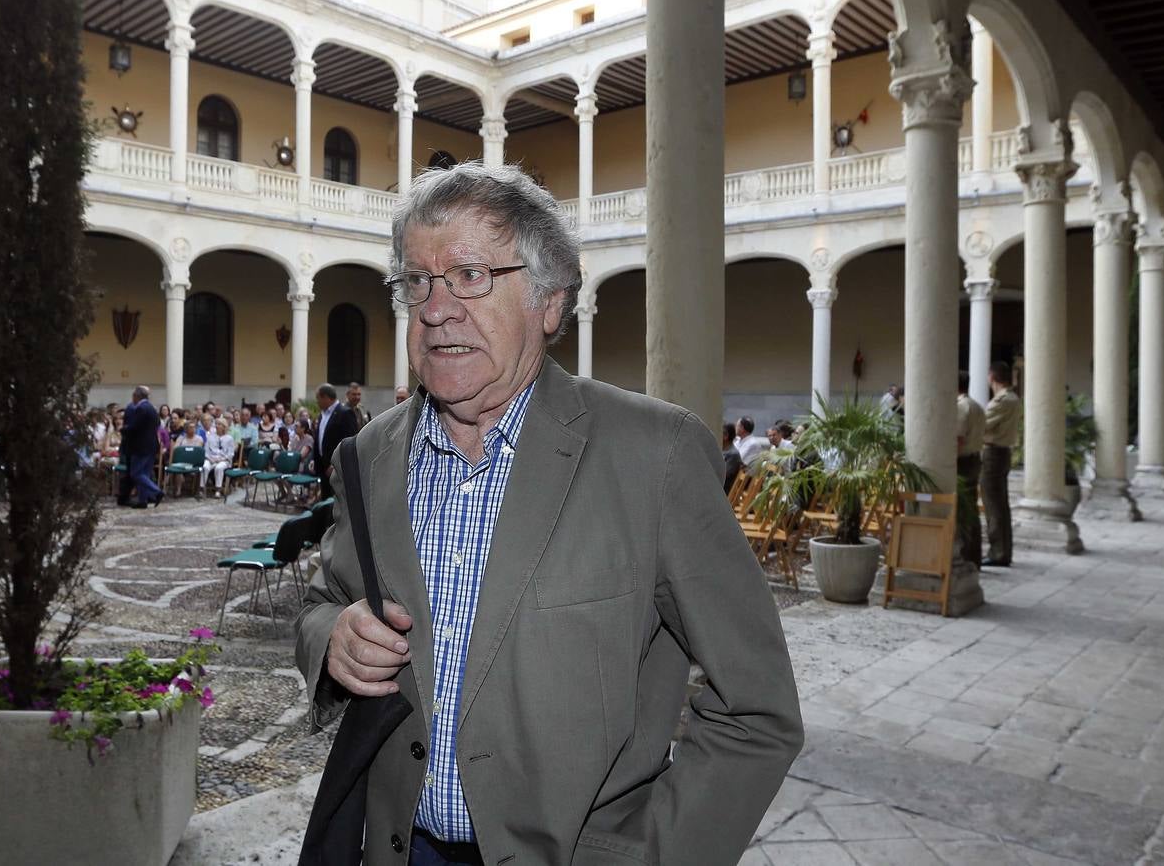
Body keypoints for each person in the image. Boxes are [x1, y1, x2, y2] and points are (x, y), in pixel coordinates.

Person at [293, 163, 801, 865]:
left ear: (551, 303)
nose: (436, 308)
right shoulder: (368, 456)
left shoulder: (655, 456)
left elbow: (757, 709)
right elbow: (326, 601)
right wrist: (333, 638)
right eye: (416, 281)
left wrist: (653, 855)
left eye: (470, 274)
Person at [981, 362, 1020, 567]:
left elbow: (983, 423)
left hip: (994, 453)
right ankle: (1003, 551)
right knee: (1001, 505)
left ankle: (998, 552)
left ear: (992, 377)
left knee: (993, 505)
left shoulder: (1003, 400)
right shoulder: (1012, 398)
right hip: (1002, 452)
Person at [954, 371, 986, 568]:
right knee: (971, 509)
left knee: (963, 509)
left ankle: (964, 553)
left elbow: (958, 439)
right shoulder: (977, 406)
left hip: (963, 461)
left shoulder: (961, 407)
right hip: (975, 458)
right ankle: (974, 555)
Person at [118, 385, 163, 508]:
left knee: (136, 473)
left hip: (141, 446)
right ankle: (143, 501)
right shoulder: (152, 408)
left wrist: (123, 429)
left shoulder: (141, 408)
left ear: (137, 396)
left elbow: (135, 427)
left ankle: (157, 491)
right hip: (151, 445)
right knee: (145, 473)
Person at [311, 382, 359, 477]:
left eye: (318, 399)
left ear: (325, 397)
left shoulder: (345, 413)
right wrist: (314, 460)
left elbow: (350, 442)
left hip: (336, 468)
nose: (317, 402)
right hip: (322, 466)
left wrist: (337, 464)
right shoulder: (322, 414)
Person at [202, 417, 236, 498]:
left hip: (224, 459)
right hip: (211, 458)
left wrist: (222, 459)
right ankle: (201, 488)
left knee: (219, 468)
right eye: (216, 424)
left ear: (224, 427)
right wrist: (209, 458)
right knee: (205, 467)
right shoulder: (210, 437)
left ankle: (218, 489)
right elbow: (206, 451)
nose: (217, 426)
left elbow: (231, 453)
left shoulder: (229, 438)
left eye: (219, 424)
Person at [720, 422, 743, 493]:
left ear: (726, 436)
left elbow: (722, 475)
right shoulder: (724, 450)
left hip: (724, 490)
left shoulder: (733, 454)